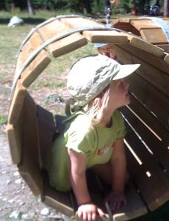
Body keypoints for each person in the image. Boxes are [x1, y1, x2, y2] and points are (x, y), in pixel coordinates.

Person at [47, 54, 140, 221]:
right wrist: (85, 203)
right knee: (66, 180)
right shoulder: (84, 131)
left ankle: (75, 150)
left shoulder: (116, 118)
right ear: (100, 98)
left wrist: (117, 191)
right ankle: (60, 147)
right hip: (67, 168)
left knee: (123, 180)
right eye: (119, 83)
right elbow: (77, 171)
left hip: (91, 155)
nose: (127, 85)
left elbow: (118, 157)